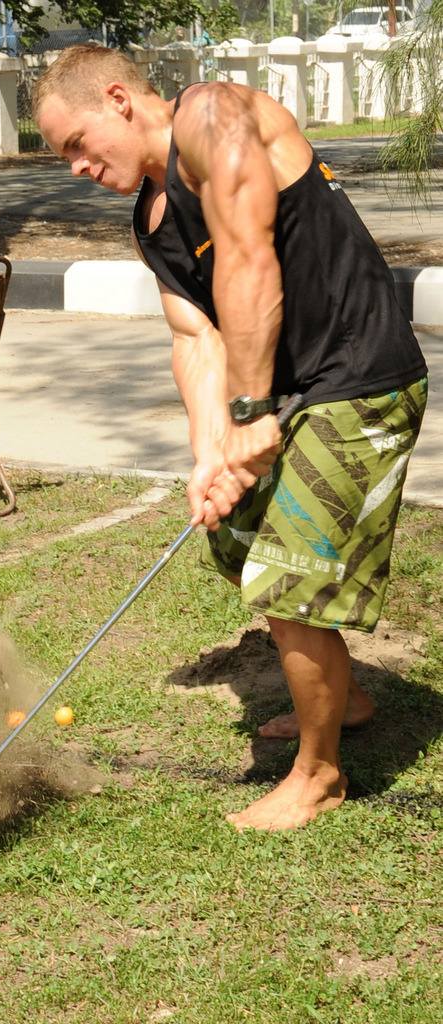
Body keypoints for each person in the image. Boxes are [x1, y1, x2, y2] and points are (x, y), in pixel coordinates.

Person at [32, 46, 428, 831]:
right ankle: (342, 698)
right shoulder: (148, 219)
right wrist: (210, 451)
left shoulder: (211, 117)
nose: (74, 167)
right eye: (62, 157)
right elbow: (195, 338)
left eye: (75, 142)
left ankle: (317, 777)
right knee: (232, 535)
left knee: (287, 576)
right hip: (284, 397)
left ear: (117, 99)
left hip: (360, 380)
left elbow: (249, 256)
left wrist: (249, 413)